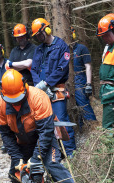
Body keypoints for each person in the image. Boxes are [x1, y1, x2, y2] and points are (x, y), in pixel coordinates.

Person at [0, 69, 83, 183]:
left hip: (43, 138)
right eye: (12, 101)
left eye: (18, 100)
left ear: (24, 87)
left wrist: (36, 158)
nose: (15, 104)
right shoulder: (0, 104)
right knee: (16, 174)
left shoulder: (38, 97)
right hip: (22, 142)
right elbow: (6, 135)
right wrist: (17, 157)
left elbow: (46, 132)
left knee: (53, 165)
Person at [30, 18, 76, 158]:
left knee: (61, 120)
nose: (38, 38)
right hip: (42, 91)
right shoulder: (39, 49)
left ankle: (69, 152)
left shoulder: (61, 46)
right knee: (45, 122)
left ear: (47, 30)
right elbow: (34, 69)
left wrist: (47, 84)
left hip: (57, 90)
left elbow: (62, 69)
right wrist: (40, 86)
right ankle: (54, 152)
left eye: (39, 34)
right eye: (36, 36)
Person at [71, 27, 96, 128]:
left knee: (84, 105)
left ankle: (94, 127)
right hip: (69, 80)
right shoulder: (64, 49)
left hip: (80, 80)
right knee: (75, 108)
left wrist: (88, 84)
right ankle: (81, 129)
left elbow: (88, 66)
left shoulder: (81, 48)